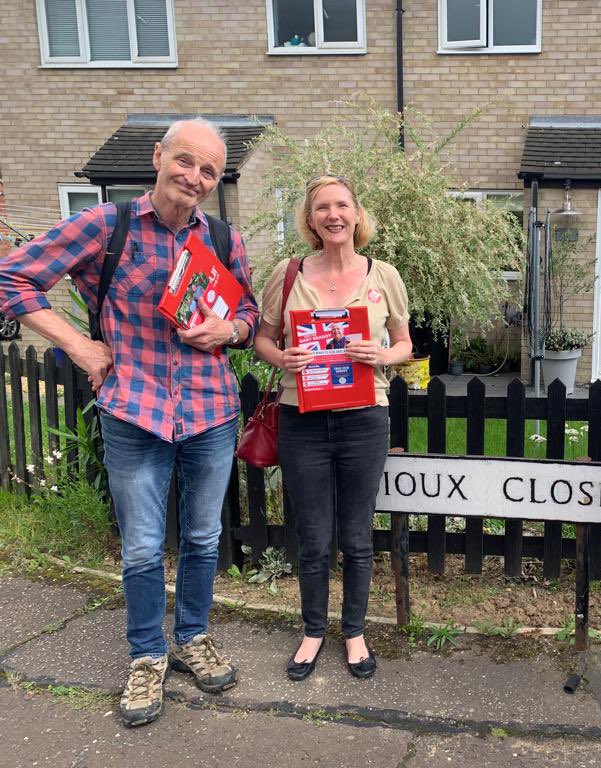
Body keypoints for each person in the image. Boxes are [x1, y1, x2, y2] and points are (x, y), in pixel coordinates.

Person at [0, 118, 259, 727]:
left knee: (202, 539)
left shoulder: (223, 238)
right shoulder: (104, 227)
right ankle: (147, 655)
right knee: (143, 547)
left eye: (209, 171)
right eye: (186, 162)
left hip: (210, 411)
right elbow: (14, 276)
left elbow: (247, 308)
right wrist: (81, 348)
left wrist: (232, 329)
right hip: (134, 411)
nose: (194, 178)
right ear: (158, 157)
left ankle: (191, 637)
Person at [254, 175, 412, 682]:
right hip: (302, 417)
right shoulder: (288, 272)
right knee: (314, 534)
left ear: (357, 213)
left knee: (357, 534)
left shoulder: (383, 274)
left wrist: (382, 353)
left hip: (365, 418)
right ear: (310, 218)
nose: (333, 214)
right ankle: (313, 631)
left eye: (342, 204)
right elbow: (262, 338)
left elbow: (406, 343)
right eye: (322, 207)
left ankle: (356, 631)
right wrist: (284, 357)